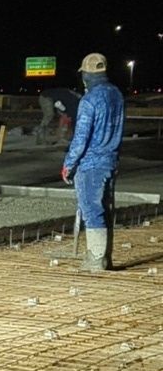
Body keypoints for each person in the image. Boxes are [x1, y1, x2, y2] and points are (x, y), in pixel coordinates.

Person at [61, 51, 125, 273]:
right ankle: (105, 258)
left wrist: (68, 164)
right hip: (111, 160)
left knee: (91, 210)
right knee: (105, 210)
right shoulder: (116, 94)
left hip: (91, 164)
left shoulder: (89, 100)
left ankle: (96, 260)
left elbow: (81, 138)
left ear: (86, 74)